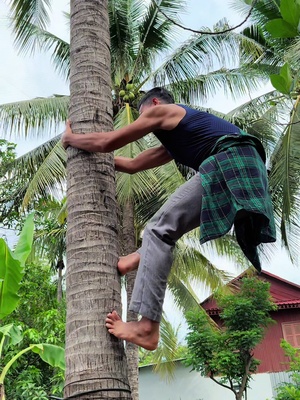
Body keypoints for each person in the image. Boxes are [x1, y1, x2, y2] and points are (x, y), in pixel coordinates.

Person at [61, 87, 276, 351]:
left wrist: (72, 139)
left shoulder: (165, 112)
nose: (143, 123)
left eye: (143, 115)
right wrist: (95, 162)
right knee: (167, 230)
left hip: (229, 159)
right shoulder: (176, 142)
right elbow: (131, 164)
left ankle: (147, 327)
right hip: (244, 169)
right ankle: (132, 260)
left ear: (154, 103)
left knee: (157, 229)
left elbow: (108, 142)